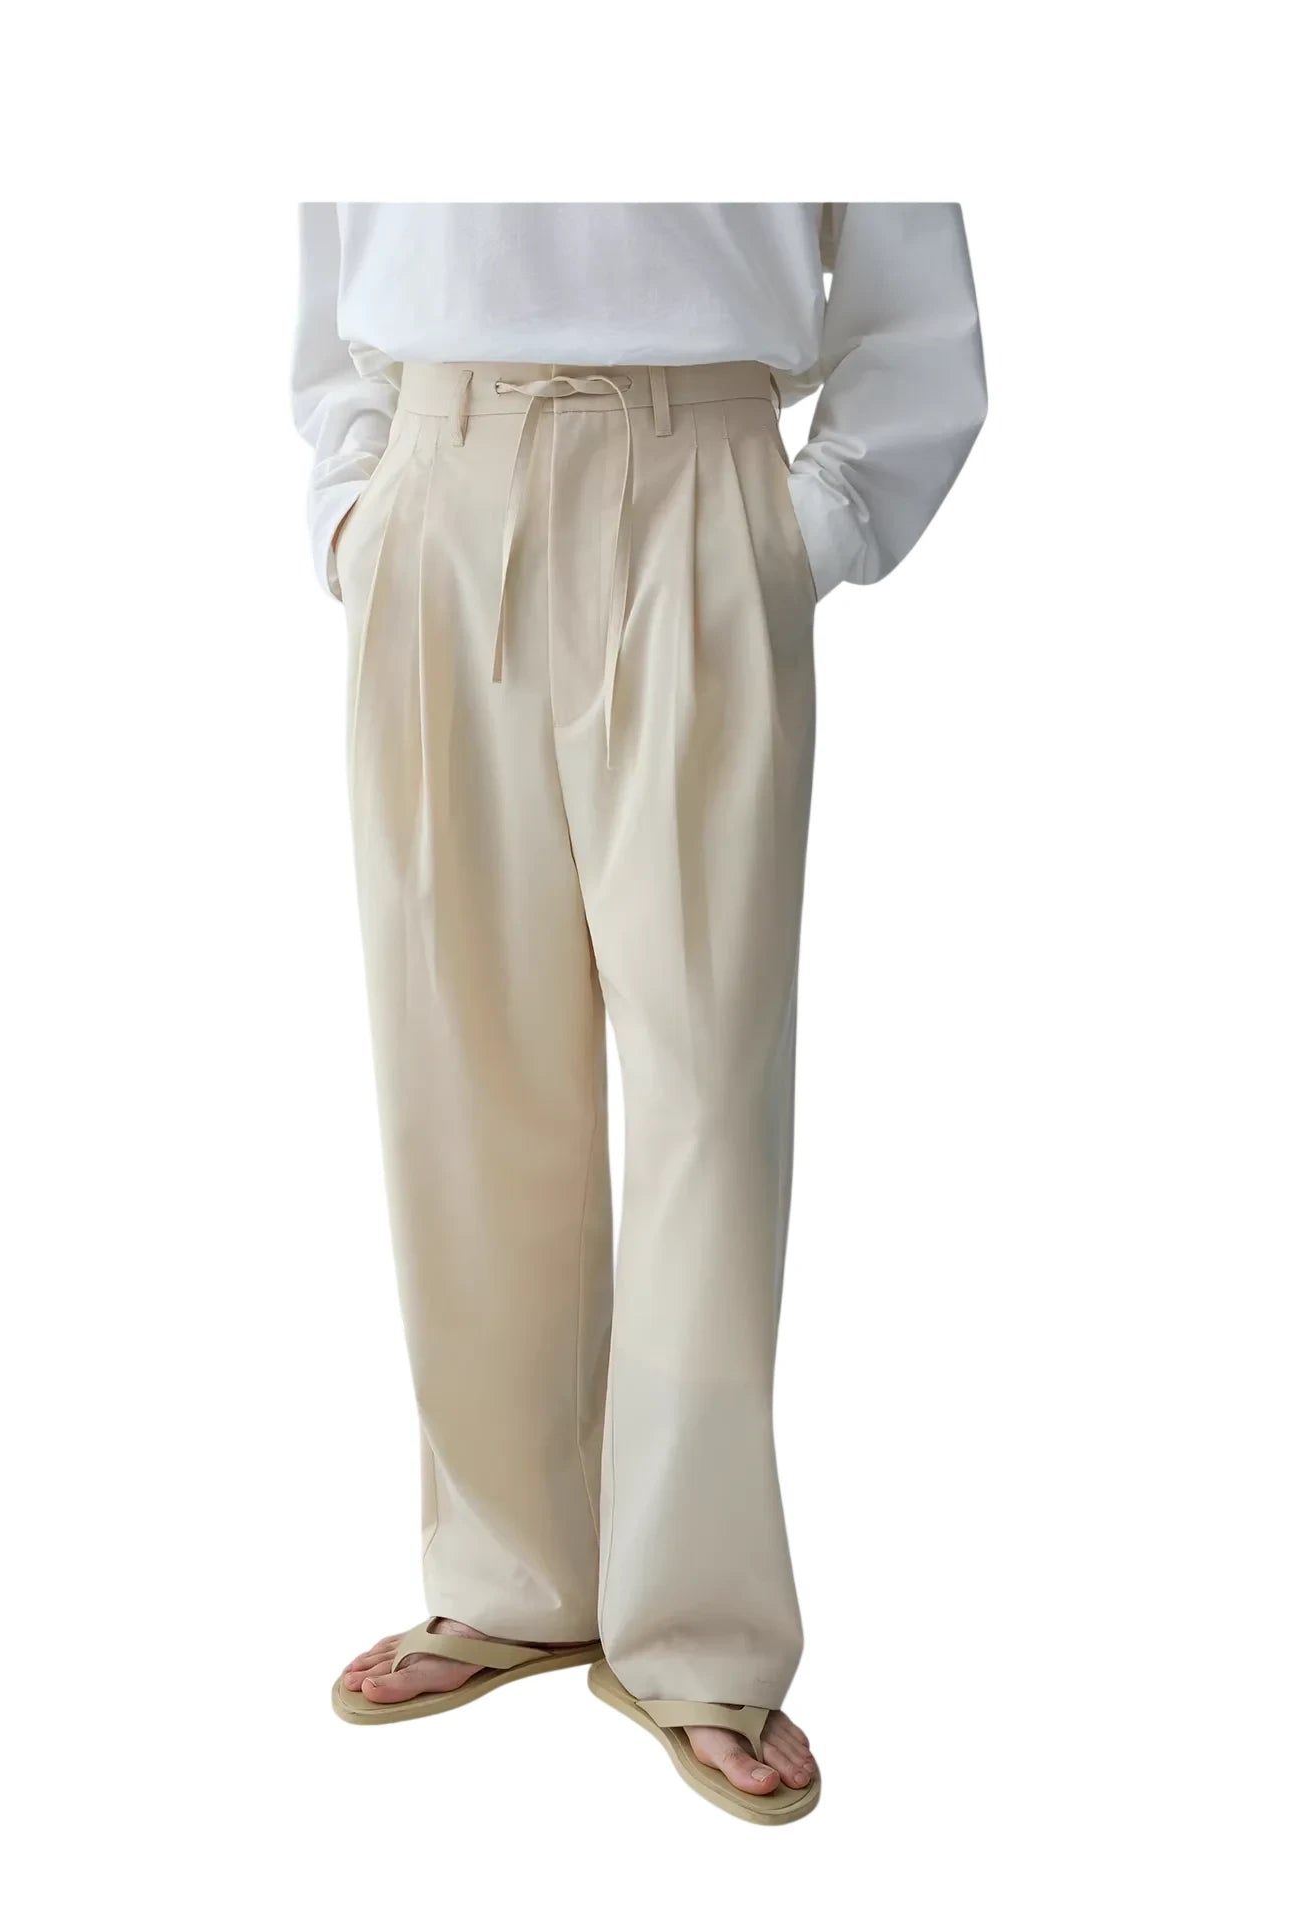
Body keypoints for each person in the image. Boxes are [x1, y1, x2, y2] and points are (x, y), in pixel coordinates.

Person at [292, 202, 986, 1824]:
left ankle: (700, 1623)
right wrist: (351, 497)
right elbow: (334, 233)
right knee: (458, 1065)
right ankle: (514, 1573)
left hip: (701, 475)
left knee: (704, 1090)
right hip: (437, 471)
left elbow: (908, 281)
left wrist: (814, 521)